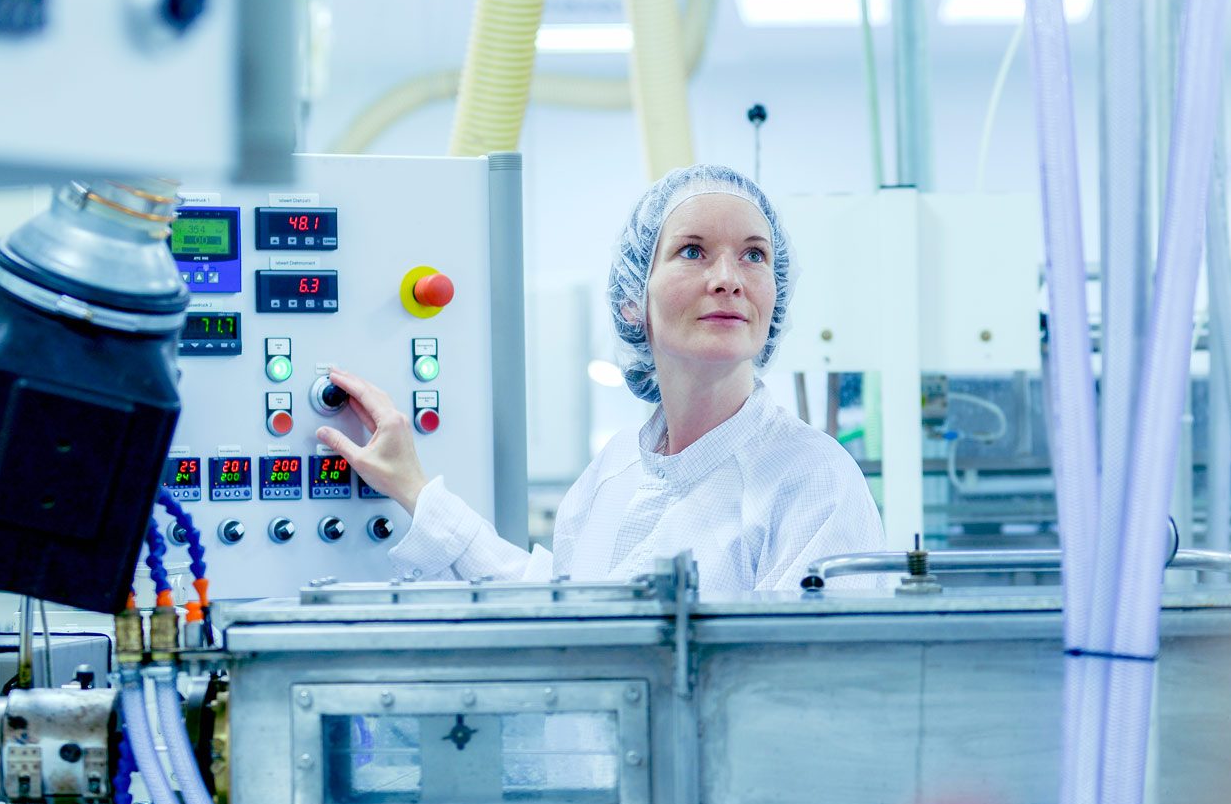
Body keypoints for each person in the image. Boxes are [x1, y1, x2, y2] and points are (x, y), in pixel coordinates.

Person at [316, 164, 884, 594]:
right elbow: (559, 616)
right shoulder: (613, 474)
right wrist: (413, 490)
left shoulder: (814, 481)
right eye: (693, 251)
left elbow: (818, 702)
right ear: (633, 299)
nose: (729, 279)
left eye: (754, 256)